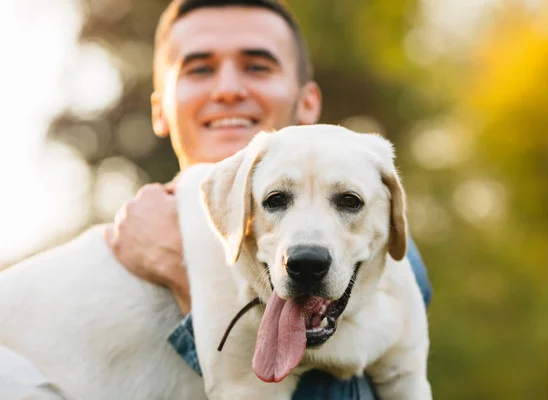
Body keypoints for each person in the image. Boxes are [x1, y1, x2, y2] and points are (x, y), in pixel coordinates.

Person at [104, 0, 432, 398]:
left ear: (309, 102)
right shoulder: (128, 231)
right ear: (158, 109)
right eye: (200, 69)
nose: (227, 90)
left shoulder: (383, 264)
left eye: (257, 66)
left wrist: (180, 273)